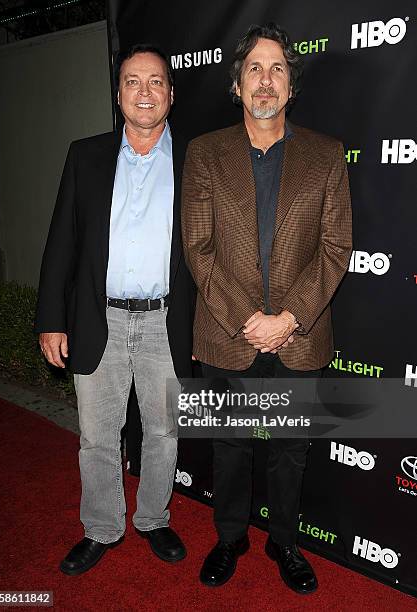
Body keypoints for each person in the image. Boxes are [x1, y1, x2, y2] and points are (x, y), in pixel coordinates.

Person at [182, 22, 352, 594]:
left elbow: (336, 249)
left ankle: (285, 543)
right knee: (229, 447)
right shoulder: (204, 154)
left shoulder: (326, 156)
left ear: (290, 87)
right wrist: (247, 322)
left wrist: (288, 319)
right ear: (237, 84)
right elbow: (198, 249)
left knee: (288, 451)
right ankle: (230, 537)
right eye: (254, 67)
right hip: (228, 334)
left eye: (277, 68)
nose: (265, 79)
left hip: (298, 337)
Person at [35, 44, 195, 576]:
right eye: (133, 81)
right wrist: (52, 319)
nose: (144, 92)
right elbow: (62, 243)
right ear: (119, 93)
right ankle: (101, 527)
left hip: (165, 321)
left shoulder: (197, 160)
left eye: (155, 82)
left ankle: (153, 517)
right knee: (98, 437)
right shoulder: (86, 155)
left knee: (164, 431)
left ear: (171, 94)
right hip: (97, 318)